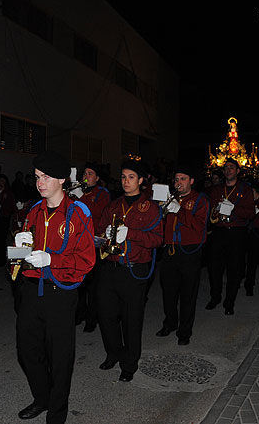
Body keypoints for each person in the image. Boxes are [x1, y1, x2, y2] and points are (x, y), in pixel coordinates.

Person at [12, 150, 95, 423]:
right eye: (37, 177)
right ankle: (42, 398)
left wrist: (52, 259)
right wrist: (19, 250)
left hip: (61, 293)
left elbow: (87, 260)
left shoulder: (78, 212)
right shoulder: (33, 211)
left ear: (62, 179)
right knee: (27, 350)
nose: (40, 182)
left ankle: (57, 413)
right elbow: (22, 255)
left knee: (60, 358)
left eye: (46, 177)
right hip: (31, 290)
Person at [96, 160, 163, 382]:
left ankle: (129, 363)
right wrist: (103, 237)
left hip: (134, 270)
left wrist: (131, 233)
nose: (126, 181)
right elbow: (100, 234)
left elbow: (157, 239)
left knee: (131, 320)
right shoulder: (113, 205)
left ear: (141, 181)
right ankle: (113, 353)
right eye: (123, 177)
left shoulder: (151, 207)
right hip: (110, 267)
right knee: (106, 315)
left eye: (131, 177)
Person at [156, 164, 210, 345]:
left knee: (188, 294)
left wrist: (179, 209)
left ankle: (184, 331)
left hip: (189, 252)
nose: (178, 183)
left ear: (191, 181)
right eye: (177, 179)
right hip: (170, 251)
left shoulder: (200, 199)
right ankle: (170, 323)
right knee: (168, 292)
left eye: (183, 179)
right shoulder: (171, 198)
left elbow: (199, 226)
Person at [206, 158, 255, 315]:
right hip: (219, 232)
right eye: (226, 167)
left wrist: (233, 209)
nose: (228, 170)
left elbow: (250, 213)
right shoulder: (216, 189)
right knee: (214, 268)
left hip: (236, 233)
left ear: (238, 171)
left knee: (234, 269)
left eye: (231, 168)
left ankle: (229, 302)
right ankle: (215, 297)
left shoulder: (245, 189)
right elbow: (210, 209)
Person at [75, 162, 111, 332]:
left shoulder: (102, 193)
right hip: (78, 242)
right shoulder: (77, 193)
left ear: (97, 178)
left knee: (94, 285)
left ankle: (92, 318)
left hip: (94, 242)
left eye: (90, 174)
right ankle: (79, 312)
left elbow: (96, 213)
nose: (86, 177)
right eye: (84, 173)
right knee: (79, 282)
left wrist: (81, 197)